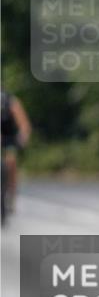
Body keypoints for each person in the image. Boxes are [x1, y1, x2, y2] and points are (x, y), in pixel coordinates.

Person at [1, 89, 32, 222]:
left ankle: (11, 196)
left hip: (10, 138)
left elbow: (24, 124)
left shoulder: (10, 101)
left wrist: (22, 137)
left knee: (11, 160)